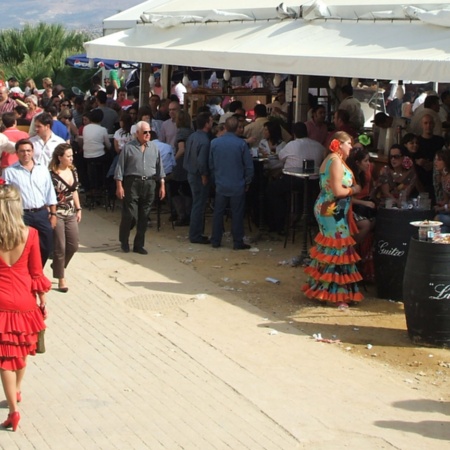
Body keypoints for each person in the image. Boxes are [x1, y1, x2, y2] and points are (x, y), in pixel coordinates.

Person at [0, 183, 50, 432]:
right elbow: (36, 271)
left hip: (1, 303)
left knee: (5, 359)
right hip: (25, 301)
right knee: (20, 351)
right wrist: (42, 298)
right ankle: (17, 390)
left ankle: (13, 410)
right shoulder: (30, 234)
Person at [303, 131, 363, 309]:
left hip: (327, 208)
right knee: (339, 247)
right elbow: (338, 191)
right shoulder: (335, 161)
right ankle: (337, 294)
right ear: (340, 144)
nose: (351, 147)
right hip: (332, 210)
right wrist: (355, 189)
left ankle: (322, 288)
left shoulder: (331, 159)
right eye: (349, 143)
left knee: (330, 246)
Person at [3, 139, 57, 266]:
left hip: (41, 213)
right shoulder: (10, 172)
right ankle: (26, 272)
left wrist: (53, 214)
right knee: (22, 245)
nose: (25, 154)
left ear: (33, 152)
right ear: (16, 153)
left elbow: (50, 192)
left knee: (46, 245)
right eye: (22, 151)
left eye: (28, 151)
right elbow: (5, 197)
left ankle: (38, 271)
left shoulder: (42, 170)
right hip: (21, 215)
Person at [114, 121, 166, 254]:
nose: (148, 134)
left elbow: (160, 168)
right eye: (145, 132)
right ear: (137, 133)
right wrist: (119, 185)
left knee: (145, 215)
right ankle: (124, 240)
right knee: (131, 214)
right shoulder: (128, 148)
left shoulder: (154, 147)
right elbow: (120, 167)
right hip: (132, 182)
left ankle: (139, 244)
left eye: (149, 132)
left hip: (149, 183)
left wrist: (162, 185)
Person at [209, 116, 254, 250]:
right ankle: (237, 241)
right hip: (237, 184)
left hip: (221, 183)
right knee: (237, 214)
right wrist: (247, 181)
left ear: (226, 127)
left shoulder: (215, 143)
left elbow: (211, 164)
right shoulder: (241, 144)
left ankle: (216, 239)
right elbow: (249, 166)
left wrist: (215, 179)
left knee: (218, 212)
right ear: (237, 129)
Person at [49, 144, 82, 292]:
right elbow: (49, 196)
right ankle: (61, 278)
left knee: (73, 245)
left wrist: (79, 208)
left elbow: (74, 191)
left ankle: (57, 265)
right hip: (57, 213)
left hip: (71, 212)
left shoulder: (73, 170)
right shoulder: (51, 174)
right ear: (60, 157)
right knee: (60, 247)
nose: (71, 158)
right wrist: (52, 213)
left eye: (71, 156)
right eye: (68, 156)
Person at [184, 112, 213, 244]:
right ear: (207, 124)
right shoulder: (205, 141)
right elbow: (202, 161)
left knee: (197, 204)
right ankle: (195, 234)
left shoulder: (192, 136)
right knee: (199, 205)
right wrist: (204, 175)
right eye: (210, 121)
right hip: (198, 175)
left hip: (191, 172)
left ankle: (196, 232)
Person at [433, 149, 450, 231]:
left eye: (439, 160)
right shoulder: (443, 178)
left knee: (438, 218)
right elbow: (446, 199)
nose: (436, 162)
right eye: (435, 159)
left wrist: (443, 207)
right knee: (443, 229)